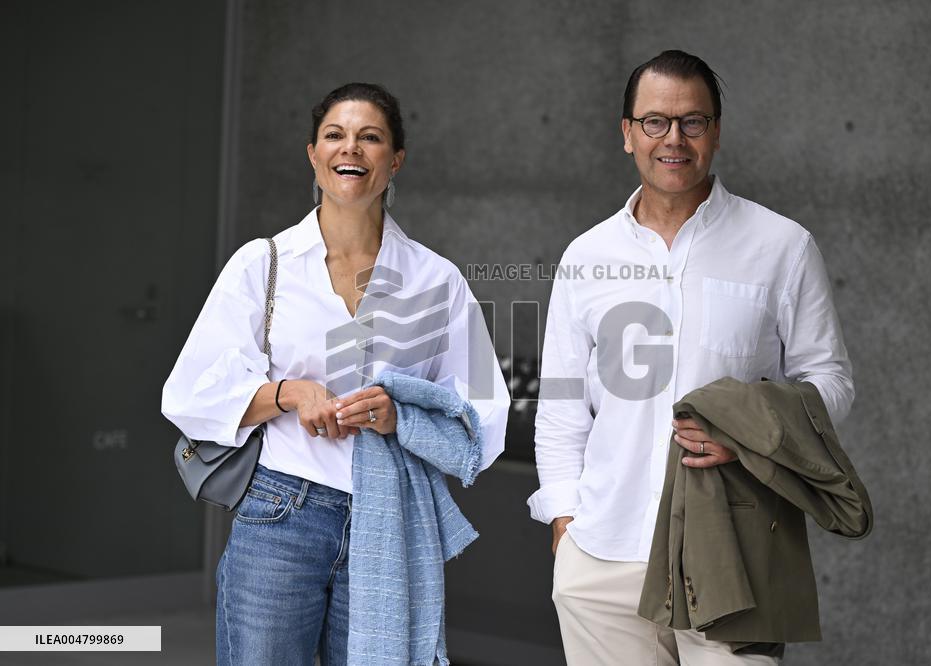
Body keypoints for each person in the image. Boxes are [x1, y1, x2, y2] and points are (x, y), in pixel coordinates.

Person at [162, 82, 509, 666]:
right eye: (335, 135)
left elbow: (481, 416)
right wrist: (289, 393)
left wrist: (400, 416)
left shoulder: (436, 280)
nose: (352, 148)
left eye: (370, 137)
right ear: (313, 154)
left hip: (388, 522)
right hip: (279, 512)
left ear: (394, 159)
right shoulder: (263, 263)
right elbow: (190, 392)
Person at [528, 50, 853, 665]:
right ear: (627, 134)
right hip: (602, 556)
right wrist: (564, 520)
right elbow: (563, 406)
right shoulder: (586, 255)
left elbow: (829, 381)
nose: (673, 138)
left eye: (692, 122)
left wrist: (753, 436)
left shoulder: (781, 246)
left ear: (717, 131)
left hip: (732, 548)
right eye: (655, 122)